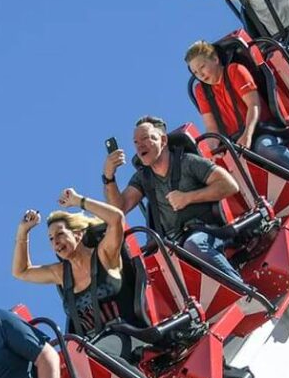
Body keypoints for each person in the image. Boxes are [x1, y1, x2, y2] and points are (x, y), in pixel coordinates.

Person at [103, 116, 245, 284]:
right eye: (136, 142)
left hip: (208, 232)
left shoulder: (188, 162)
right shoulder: (143, 178)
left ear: (163, 140)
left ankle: (241, 289)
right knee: (141, 276)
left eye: (145, 138)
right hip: (172, 244)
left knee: (194, 244)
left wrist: (188, 198)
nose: (139, 145)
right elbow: (119, 208)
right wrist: (109, 176)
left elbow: (229, 185)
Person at [12, 187, 145, 361]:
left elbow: (117, 219)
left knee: (91, 358)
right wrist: (23, 232)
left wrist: (78, 201)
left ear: (78, 234)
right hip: (92, 350)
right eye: (51, 239)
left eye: (60, 234)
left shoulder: (104, 255)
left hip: (128, 337)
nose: (55, 242)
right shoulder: (61, 273)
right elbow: (21, 271)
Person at [185, 40, 289, 188]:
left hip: (262, 130)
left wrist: (247, 135)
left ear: (215, 59)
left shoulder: (235, 70)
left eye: (202, 67)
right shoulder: (201, 91)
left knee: (265, 148)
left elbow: (253, 105)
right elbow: (211, 127)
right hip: (236, 142)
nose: (200, 75)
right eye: (195, 72)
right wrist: (214, 153)